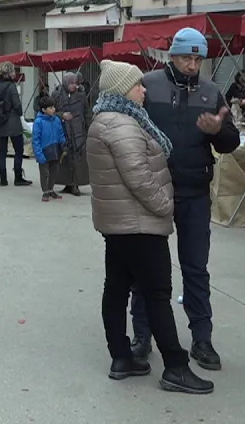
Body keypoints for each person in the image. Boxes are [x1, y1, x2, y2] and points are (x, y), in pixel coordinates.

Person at [87, 60, 213, 395]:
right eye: (138, 85)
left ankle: (121, 358)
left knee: (116, 289)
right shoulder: (122, 125)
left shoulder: (108, 120)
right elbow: (139, 178)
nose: (144, 90)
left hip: (119, 225)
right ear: (122, 90)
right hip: (139, 225)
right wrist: (166, 206)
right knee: (157, 294)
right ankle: (176, 366)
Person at [133, 28, 239, 371]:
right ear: (172, 56)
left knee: (196, 268)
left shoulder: (212, 93)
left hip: (194, 191)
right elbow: (127, 129)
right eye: (186, 58)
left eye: (197, 59)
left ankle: (202, 339)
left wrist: (218, 131)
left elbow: (231, 142)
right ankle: (142, 335)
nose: (192, 65)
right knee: (147, 268)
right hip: (154, 190)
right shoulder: (148, 85)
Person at [0, 61, 31, 187]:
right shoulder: (11, 86)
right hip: (12, 121)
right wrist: (19, 113)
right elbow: (17, 105)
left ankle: (3, 179)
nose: (14, 73)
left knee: (2, 152)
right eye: (13, 71)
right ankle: (18, 177)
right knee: (18, 150)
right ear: (8, 73)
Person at [52, 71, 91, 196]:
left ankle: (75, 184)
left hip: (78, 130)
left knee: (78, 157)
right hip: (62, 129)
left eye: (76, 83)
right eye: (72, 83)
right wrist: (61, 115)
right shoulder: (56, 95)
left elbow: (87, 112)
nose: (75, 85)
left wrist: (88, 127)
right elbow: (50, 111)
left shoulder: (81, 95)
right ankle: (67, 183)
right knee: (65, 156)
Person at [31, 96, 66, 202]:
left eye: (53, 107)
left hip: (55, 150)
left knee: (54, 172)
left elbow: (60, 133)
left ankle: (51, 189)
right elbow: (35, 140)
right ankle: (45, 191)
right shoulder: (38, 122)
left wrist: (63, 145)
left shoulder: (56, 120)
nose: (53, 109)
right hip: (44, 151)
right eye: (50, 107)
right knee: (45, 173)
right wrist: (39, 155)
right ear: (43, 110)